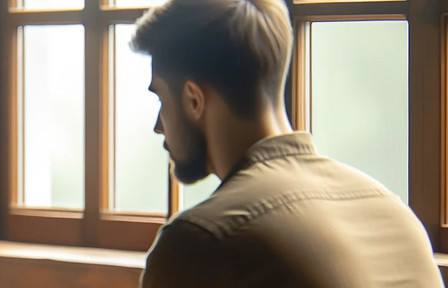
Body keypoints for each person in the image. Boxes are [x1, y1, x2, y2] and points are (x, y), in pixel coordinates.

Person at [131, 0, 443, 286]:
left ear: (193, 99)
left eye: (161, 99)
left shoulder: (198, 243)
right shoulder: (395, 214)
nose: (158, 126)